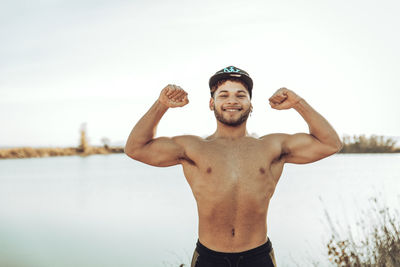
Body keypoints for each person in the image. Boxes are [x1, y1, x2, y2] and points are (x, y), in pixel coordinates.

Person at [125, 66, 342, 267]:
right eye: (223, 95)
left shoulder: (271, 146)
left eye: (240, 95)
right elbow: (135, 148)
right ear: (211, 104)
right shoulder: (193, 147)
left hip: (258, 257)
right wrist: (161, 104)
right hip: (209, 257)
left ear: (250, 104)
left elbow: (330, 143)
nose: (232, 100)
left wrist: (298, 103)